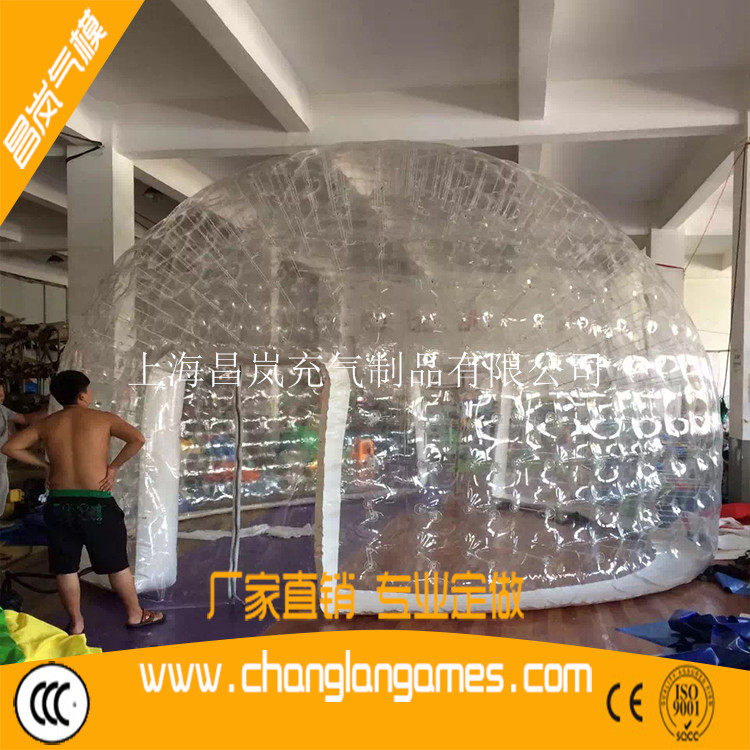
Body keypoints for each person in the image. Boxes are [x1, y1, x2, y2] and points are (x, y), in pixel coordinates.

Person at [1, 370, 165, 634]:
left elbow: (10, 448)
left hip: (59, 505)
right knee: (117, 565)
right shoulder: (103, 419)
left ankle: (76, 623)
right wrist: (113, 468)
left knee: (65, 568)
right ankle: (135, 615)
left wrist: (45, 465)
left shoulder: (48, 423)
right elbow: (138, 439)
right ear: (82, 395)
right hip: (96, 504)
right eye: (88, 389)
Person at [0, 384, 32, 517]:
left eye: (2, 393)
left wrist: (50, 411)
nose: (1, 396)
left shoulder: (3, 410)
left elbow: (24, 419)